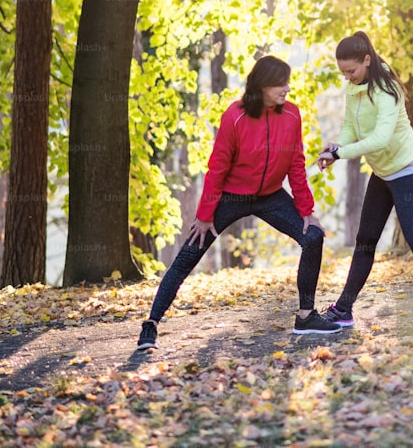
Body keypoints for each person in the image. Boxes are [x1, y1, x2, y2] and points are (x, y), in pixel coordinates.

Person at [136, 56, 340, 351]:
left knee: (314, 237)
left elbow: (296, 163)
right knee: (188, 255)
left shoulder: (292, 115)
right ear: (261, 85)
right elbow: (217, 167)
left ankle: (306, 316)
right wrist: (205, 215)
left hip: (271, 196)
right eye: (279, 84)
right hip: (231, 197)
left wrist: (306, 211)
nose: (287, 89)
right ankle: (151, 324)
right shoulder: (235, 116)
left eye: (287, 82)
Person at [316, 31, 413, 333]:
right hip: (382, 172)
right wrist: (337, 146)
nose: (347, 77)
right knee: (365, 240)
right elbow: (350, 125)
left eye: (351, 71)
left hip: (407, 171)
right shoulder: (355, 87)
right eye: (343, 72)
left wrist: (342, 154)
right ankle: (344, 310)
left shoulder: (386, 90)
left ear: (367, 60)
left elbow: (380, 138)